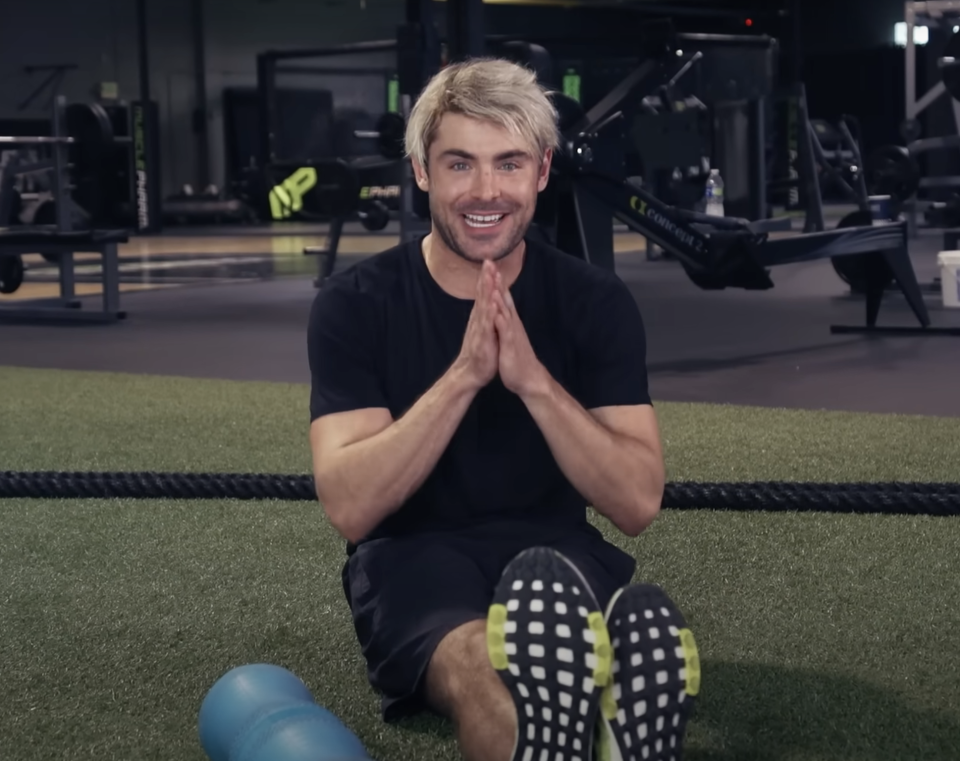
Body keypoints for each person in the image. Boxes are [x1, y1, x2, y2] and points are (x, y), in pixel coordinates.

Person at [307, 58, 699, 761]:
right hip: (414, 556)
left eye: (508, 164)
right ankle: (581, 727)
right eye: (460, 164)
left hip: (557, 554)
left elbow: (637, 501)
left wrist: (534, 383)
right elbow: (351, 506)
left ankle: (596, 716)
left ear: (542, 172)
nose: (486, 191)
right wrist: (463, 378)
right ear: (422, 171)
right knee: (478, 668)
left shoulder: (594, 302)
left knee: (555, 634)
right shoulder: (355, 304)